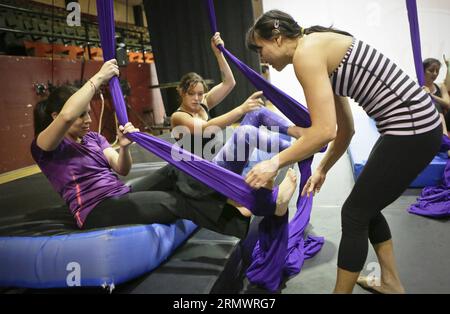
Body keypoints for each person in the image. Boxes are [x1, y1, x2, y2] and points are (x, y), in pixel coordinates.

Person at [244, 10, 442, 293]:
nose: (261, 58)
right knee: (366, 207)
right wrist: (323, 167)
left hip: (412, 129)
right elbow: (343, 128)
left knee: (354, 214)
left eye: (259, 49)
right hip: (412, 127)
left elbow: (323, 132)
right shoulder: (316, 46)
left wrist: (273, 163)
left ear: (276, 39)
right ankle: (390, 282)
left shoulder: (306, 54)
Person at [171, 33, 303, 217]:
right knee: (246, 132)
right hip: (211, 174)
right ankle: (300, 149)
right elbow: (205, 127)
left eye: (200, 93)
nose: (197, 98)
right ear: (182, 92)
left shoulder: (203, 103)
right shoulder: (178, 117)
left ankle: (298, 133)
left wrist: (219, 54)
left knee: (255, 111)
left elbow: (229, 82)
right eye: (192, 94)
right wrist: (240, 109)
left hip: (226, 159)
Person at [422, 58, 450, 135]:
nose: (435, 74)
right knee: (435, 105)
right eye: (431, 70)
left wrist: (431, 96)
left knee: (436, 103)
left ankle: (444, 135)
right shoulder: (418, 86)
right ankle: (444, 136)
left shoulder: (440, 86)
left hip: (445, 120)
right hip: (427, 120)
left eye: (437, 71)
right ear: (423, 71)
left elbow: (448, 104)